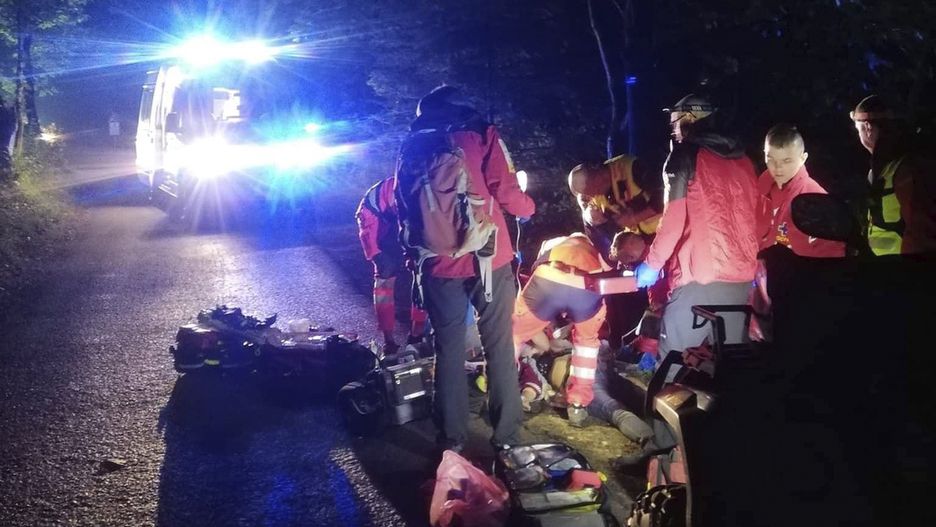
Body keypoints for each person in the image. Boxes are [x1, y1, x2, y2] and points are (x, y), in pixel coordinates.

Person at [402, 85, 535, 452]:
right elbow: (506, 190)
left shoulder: (411, 144)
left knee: (448, 349)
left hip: (436, 262)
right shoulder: (481, 133)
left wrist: (414, 257)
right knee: (499, 346)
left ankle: (452, 438)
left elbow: (404, 205)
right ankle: (507, 437)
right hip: (488, 257)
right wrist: (529, 208)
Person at [635, 93, 759, 367]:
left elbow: (673, 222)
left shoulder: (684, 156)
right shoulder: (746, 161)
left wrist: (652, 265)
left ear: (691, 118)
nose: (674, 130)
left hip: (698, 279)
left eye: (676, 122)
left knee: (672, 363)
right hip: (741, 278)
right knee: (729, 366)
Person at [568, 156, 665, 352]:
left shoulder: (632, 168)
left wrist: (636, 217)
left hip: (667, 234)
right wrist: (592, 219)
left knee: (669, 289)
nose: (593, 195)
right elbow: (600, 228)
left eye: (591, 190)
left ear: (596, 176)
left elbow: (668, 196)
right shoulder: (596, 200)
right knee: (652, 296)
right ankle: (641, 345)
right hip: (645, 247)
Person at [850, 95, 936, 255]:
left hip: (901, 267)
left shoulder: (905, 169)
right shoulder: (885, 168)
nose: (859, 136)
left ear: (867, 127)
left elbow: (921, 232)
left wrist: (909, 268)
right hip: (886, 265)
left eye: (858, 129)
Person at [355, 177, 428, 354]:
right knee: (385, 274)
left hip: (399, 219)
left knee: (422, 274)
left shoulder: (428, 187)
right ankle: (389, 341)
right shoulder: (413, 190)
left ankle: (416, 335)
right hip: (374, 220)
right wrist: (374, 252)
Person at [758, 124, 846, 258]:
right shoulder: (757, 191)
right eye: (771, 159)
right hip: (760, 268)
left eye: (787, 161)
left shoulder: (816, 199)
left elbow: (833, 251)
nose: (778, 167)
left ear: (803, 159)